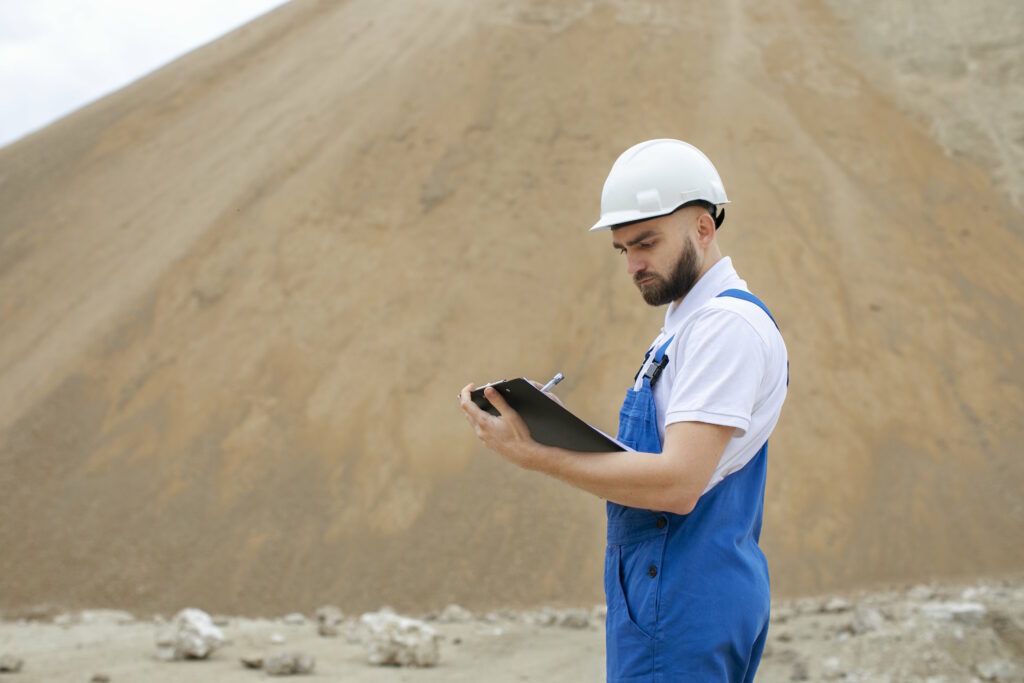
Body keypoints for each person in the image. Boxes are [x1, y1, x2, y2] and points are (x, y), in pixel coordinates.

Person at [458, 139, 788, 682]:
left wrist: (536, 455)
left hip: (684, 598)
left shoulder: (724, 329)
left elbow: (678, 483)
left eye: (647, 243)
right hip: (669, 596)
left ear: (704, 229)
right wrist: (552, 425)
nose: (633, 264)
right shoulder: (686, 327)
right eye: (622, 250)